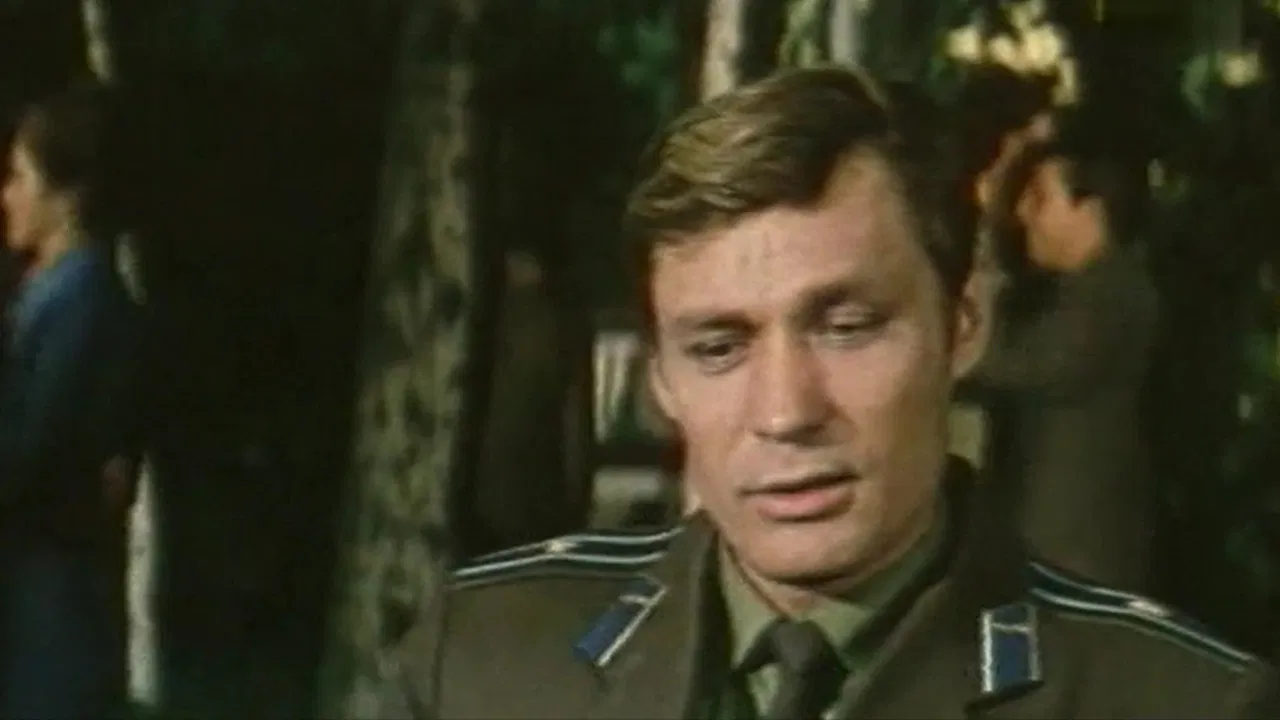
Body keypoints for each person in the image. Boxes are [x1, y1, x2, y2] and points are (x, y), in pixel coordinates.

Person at [376, 68, 1278, 718]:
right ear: (662, 380)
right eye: (719, 347)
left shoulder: (1179, 702)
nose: (786, 412)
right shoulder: (485, 658)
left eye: (846, 328)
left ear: (961, 327)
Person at [964, 122, 1161, 592]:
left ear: (1088, 209)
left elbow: (991, 359)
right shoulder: (1078, 294)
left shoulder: (1110, 300)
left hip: (1071, 558)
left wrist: (988, 221)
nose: (1023, 214)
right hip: (1051, 553)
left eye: (1040, 198)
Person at [0, 83, 142, 718]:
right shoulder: (47, 295)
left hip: (52, 605)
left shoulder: (82, 304)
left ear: (69, 196)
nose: (7, 195)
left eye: (20, 177)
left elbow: (30, 452)